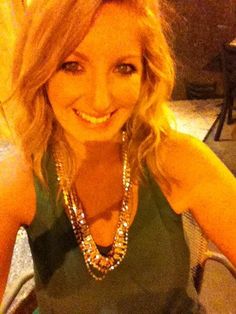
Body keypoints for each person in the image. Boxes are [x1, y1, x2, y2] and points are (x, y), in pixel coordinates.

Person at [0, 0, 235, 313]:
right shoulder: (19, 178)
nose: (100, 99)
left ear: (145, 74)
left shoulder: (179, 161)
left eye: (123, 68)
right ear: (41, 71)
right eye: (72, 66)